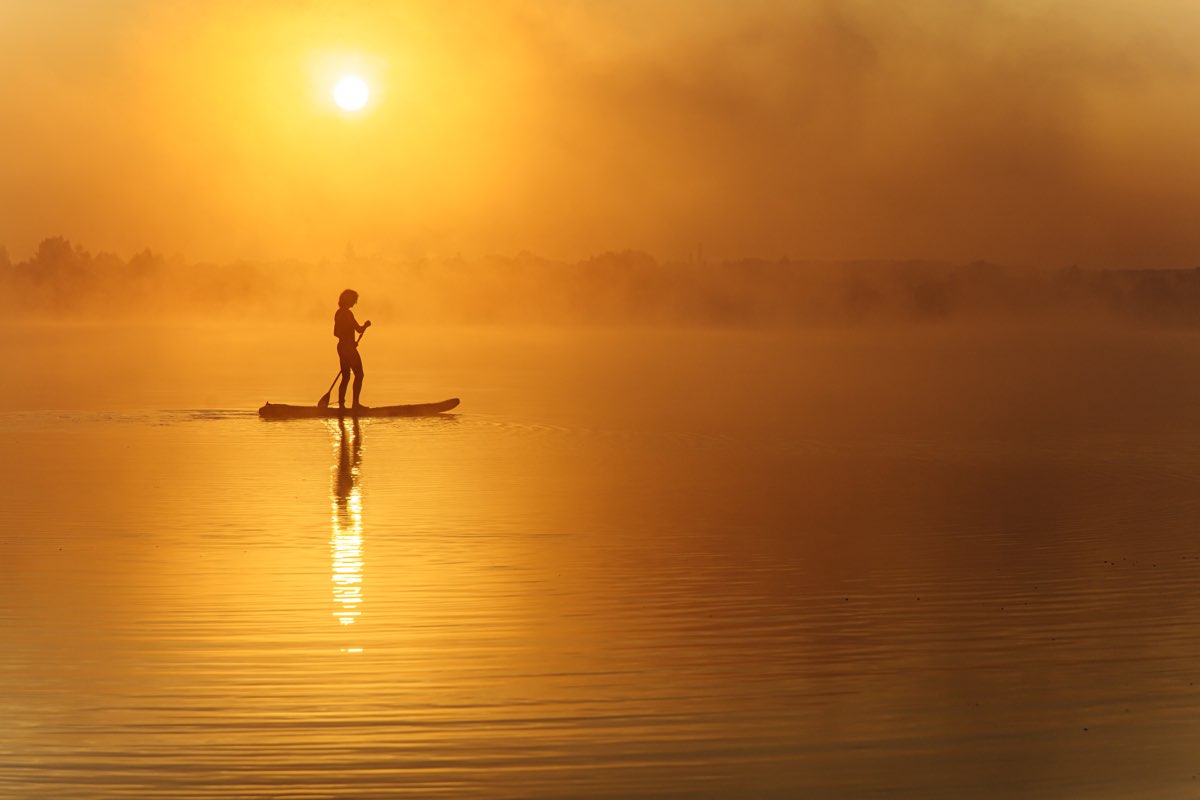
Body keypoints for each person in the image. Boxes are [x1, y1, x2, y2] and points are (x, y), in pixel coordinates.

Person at [334, 289, 372, 409]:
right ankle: (355, 404)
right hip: (348, 348)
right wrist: (366, 325)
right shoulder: (346, 313)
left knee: (346, 376)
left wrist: (348, 340)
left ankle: (341, 406)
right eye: (354, 300)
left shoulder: (338, 313)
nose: (355, 303)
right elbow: (358, 330)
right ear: (348, 299)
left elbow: (336, 333)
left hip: (342, 347)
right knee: (359, 375)